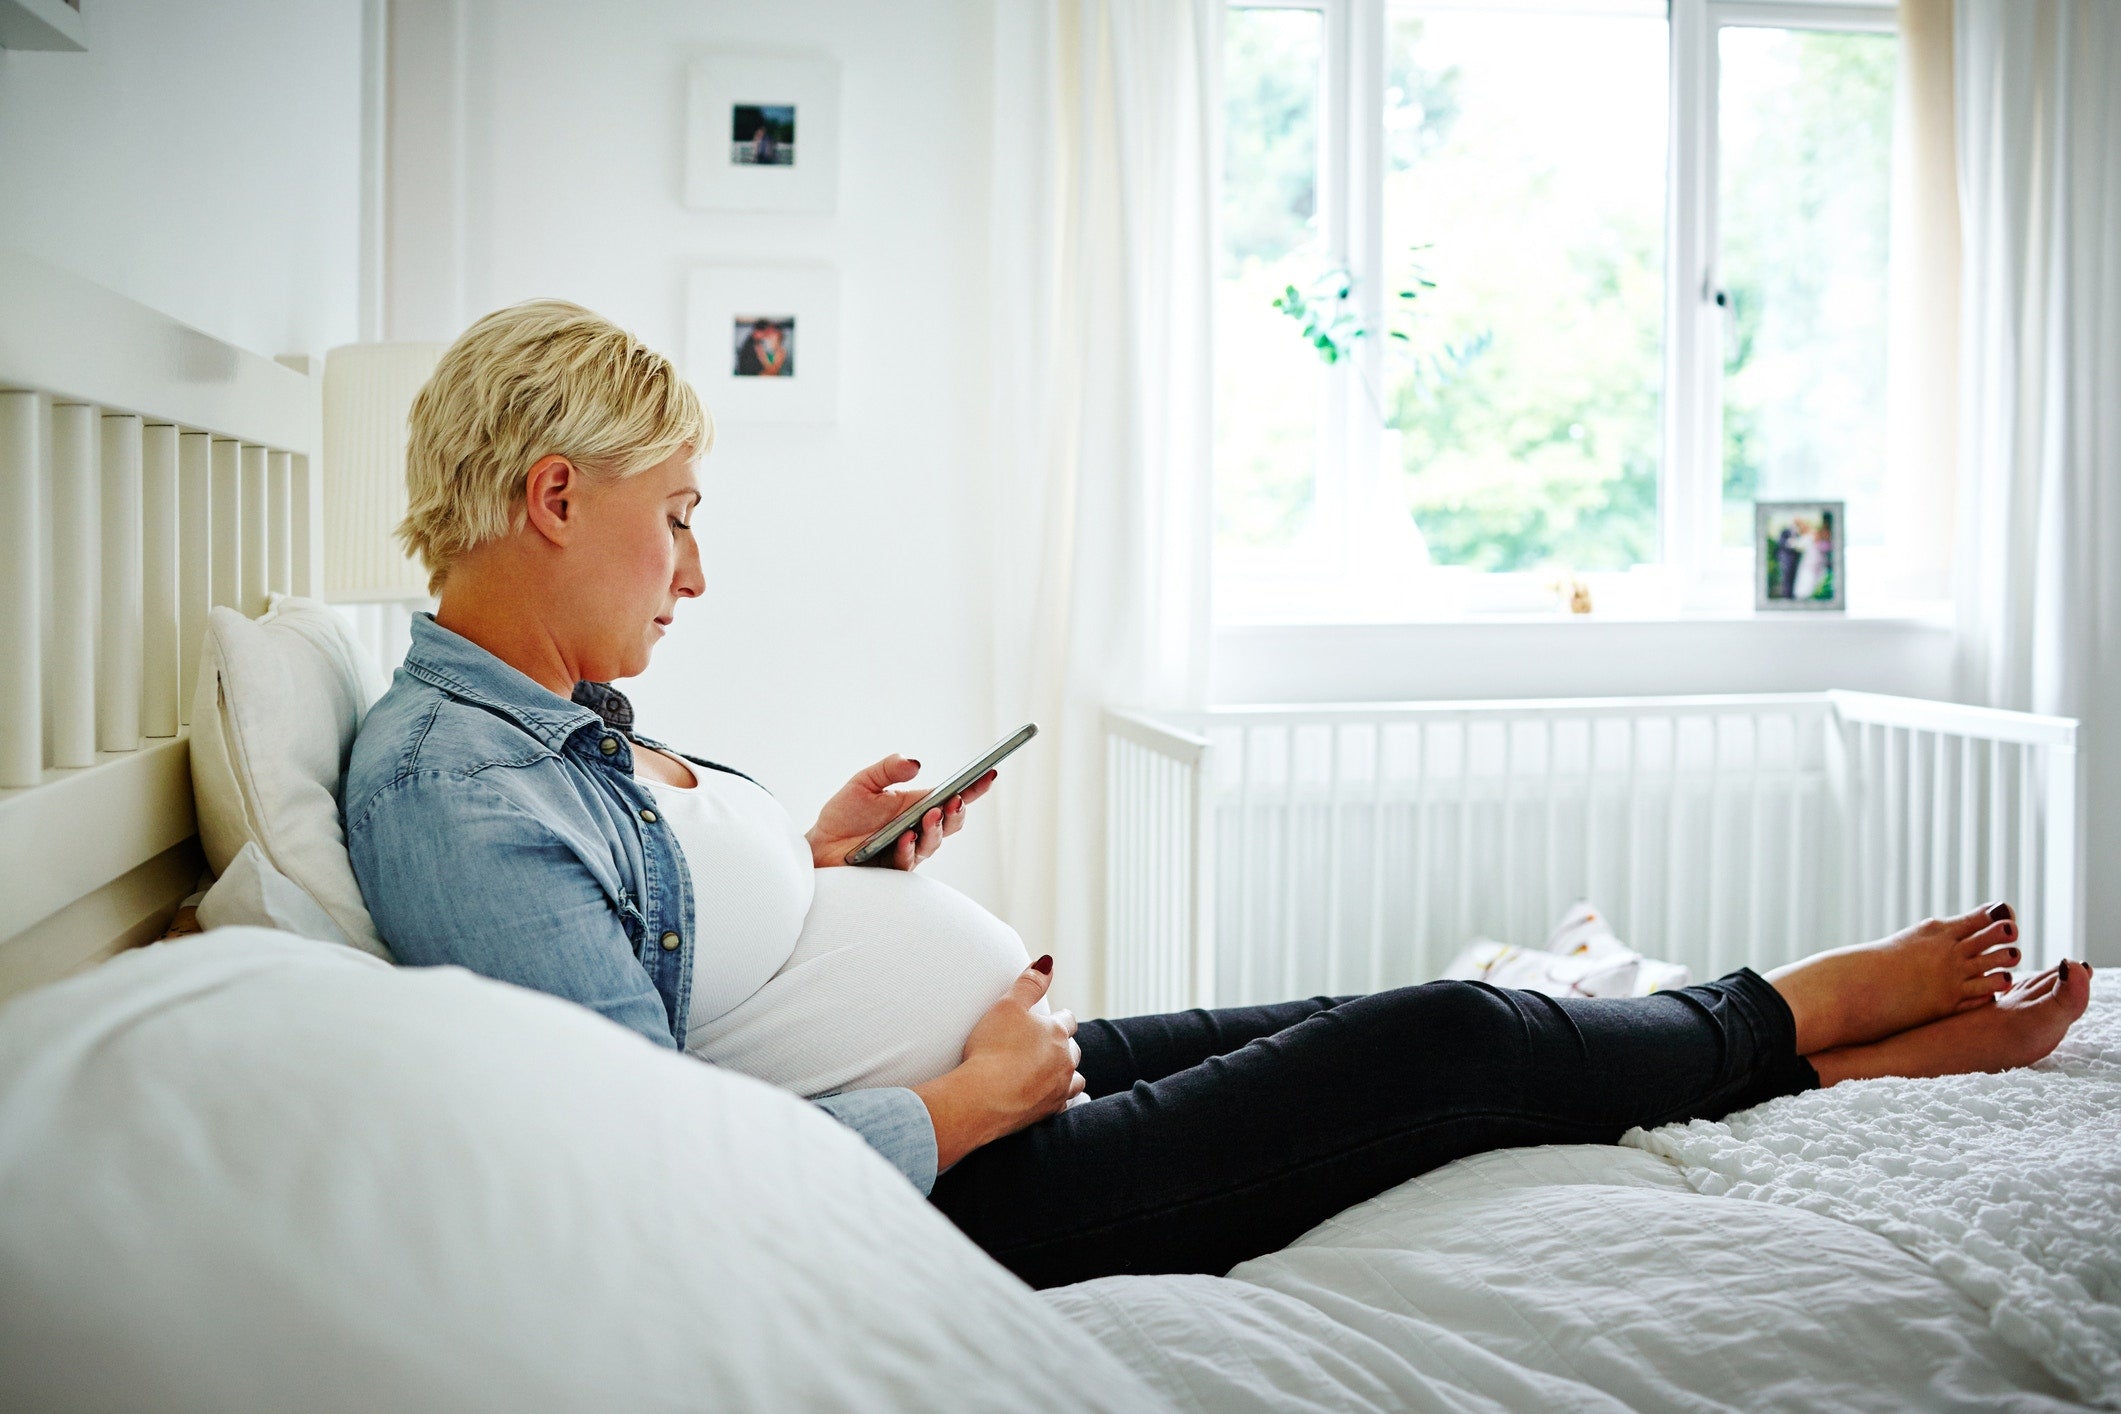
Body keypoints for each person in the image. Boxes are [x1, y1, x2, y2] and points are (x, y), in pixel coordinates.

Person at [344, 300, 2093, 1292]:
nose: (695, 570)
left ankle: (1783, 1056)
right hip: (945, 1197)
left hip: (980, 1107)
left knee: (1375, 1013)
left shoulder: (564, 731)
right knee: (1445, 1041)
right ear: (555, 498)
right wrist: (959, 1102)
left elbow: (669, 973)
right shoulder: (458, 794)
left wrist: (816, 867)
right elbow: (652, 1169)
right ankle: (1803, 1014)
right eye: (676, 516)